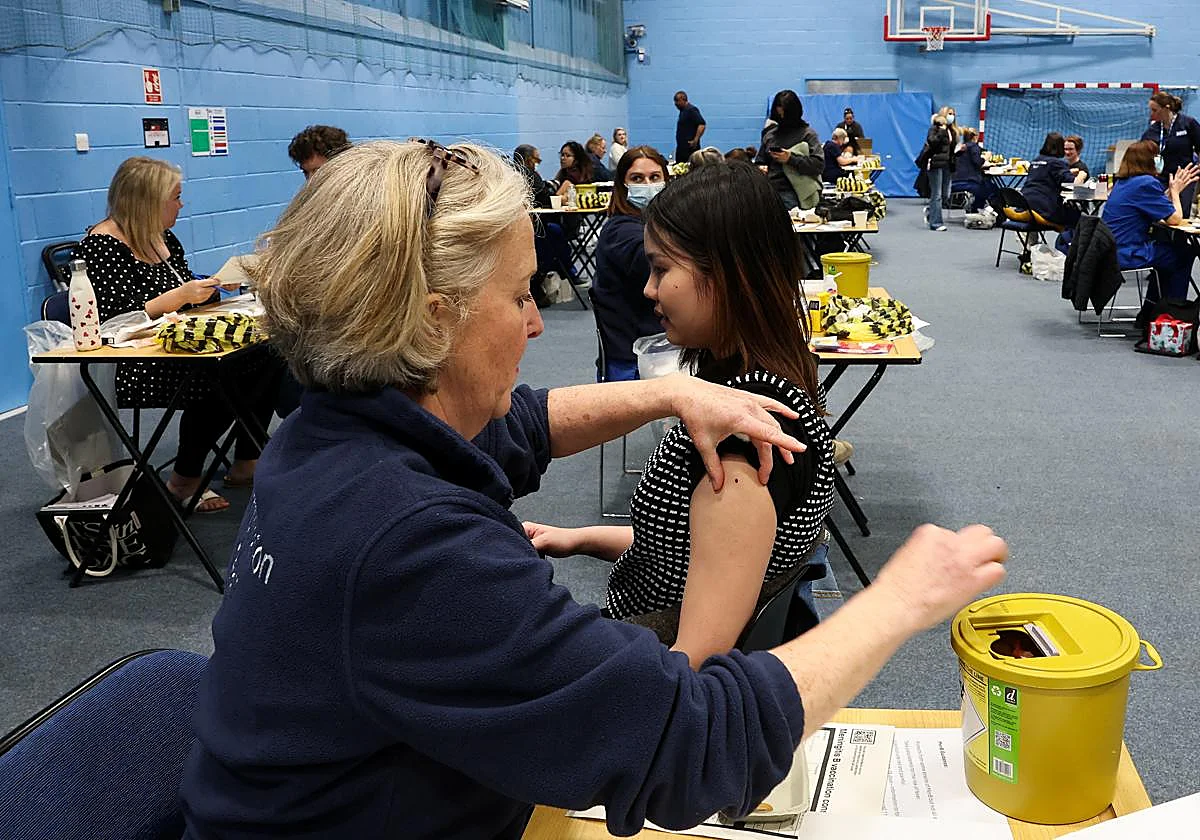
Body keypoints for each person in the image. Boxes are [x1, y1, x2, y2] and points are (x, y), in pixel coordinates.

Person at [180, 139, 1010, 840]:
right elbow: (687, 742)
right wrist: (901, 599)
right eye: (517, 297)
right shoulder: (409, 545)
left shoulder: (323, 433)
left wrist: (669, 392)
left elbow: (523, 425)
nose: (538, 322)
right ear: (433, 320)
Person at [527, 160, 841, 664]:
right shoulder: (744, 393)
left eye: (662, 269)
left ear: (728, 275)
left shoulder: (742, 443)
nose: (649, 289)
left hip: (652, 663)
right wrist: (576, 538)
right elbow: (690, 544)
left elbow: (694, 664)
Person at [78, 157, 280, 513]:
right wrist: (176, 298)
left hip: (178, 344)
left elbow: (184, 294)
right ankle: (184, 478)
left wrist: (211, 289)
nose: (181, 204)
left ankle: (247, 459)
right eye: (175, 197)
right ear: (148, 200)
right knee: (216, 376)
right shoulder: (101, 246)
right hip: (135, 360)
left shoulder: (163, 237)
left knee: (266, 356)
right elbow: (109, 323)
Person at [590, 146, 669, 381]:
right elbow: (655, 262)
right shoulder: (620, 231)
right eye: (637, 178)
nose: (647, 185)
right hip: (632, 357)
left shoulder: (652, 224)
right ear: (623, 185)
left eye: (655, 177)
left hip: (655, 348)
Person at [1102, 139, 1200, 300]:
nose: (1159, 159)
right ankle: (1174, 309)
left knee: (1170, 252)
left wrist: (1172, 191)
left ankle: (1151, 309)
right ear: (1147, 160)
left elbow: (1156, 207)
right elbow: (1175, 219)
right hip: (1128, 252)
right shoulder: (1145, 183)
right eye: (1156, 156)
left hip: (1112, 250)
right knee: (1184, 254)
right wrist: (1175, 193)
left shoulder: (1123, 183)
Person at [515, 144, 573, 304]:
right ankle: (567, 272)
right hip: (532, 228)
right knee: (556, 233)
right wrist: (561, 191)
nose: (538, 162)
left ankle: (565, 272)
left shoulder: (511, 173)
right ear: (528, 160)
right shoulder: (529, 174)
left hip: (520, 227)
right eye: (537, 159)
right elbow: (546, 199)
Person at [755, 89, 824, 211]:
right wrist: (761, 168)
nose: (781, 118)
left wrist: (790, 159)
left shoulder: (808, 134)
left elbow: (819, 165)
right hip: (770, 191)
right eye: (779, 115)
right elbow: (760, 160)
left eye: (784, 115)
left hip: (796, 193)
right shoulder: (770, 135)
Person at [1141, 91, 1200, 215]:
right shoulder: (1153, 130)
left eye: (1154, 110)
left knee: (1180, 213)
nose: (1152, 115)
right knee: (1161, 213)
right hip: (1161, 178)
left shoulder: (1187, 123)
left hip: (1183, 178)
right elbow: (1141, 152)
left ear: (1166, 108)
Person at [1022, 131, 1079, 229]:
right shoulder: (1057, 163)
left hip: (1024, 206)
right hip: (1044, 210)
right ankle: (1069, 243)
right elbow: (1072, 184)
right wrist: (1079, 176)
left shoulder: (1034, 161)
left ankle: (1033, 243)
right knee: (1078, 216)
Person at [952, 127, 998, 211]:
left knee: (986, 184)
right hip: (967, 181)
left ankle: (976, 208)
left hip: (954, 181)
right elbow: (978, 162)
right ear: (975, 137)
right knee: (991, 188)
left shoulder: (961, 147)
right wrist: (985, 158)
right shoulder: (973, 147)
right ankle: (978, 208)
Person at [923, 111, 955, 231]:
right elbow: (932, 142)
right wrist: (941, 131)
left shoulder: (950, 131)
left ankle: (931, 211)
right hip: (935, 164)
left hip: (946, 164)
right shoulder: (934, 130)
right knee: (937, 194)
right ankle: (936, 223)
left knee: (945, 195)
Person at [673, 90, 707, 163]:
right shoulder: (683, 111)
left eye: (677, 101)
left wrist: (696, 139)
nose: (675, 104)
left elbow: (702, 124)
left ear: (683, 99)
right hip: (682, 148)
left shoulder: (691, 110)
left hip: (690, 149)